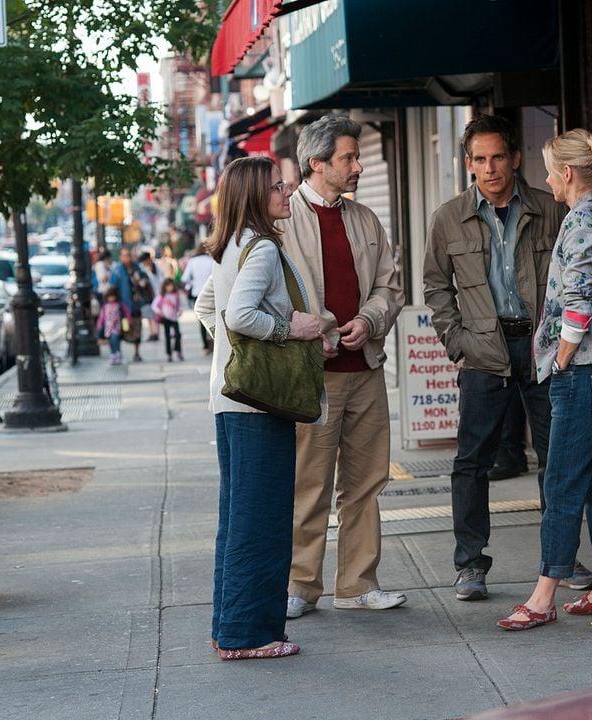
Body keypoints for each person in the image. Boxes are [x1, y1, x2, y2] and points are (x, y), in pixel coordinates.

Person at [497, 130, 592, 632]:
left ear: (567, 174)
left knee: (562, 482)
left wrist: (560, 361)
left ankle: (542, 596)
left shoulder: (581, 221)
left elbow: (578, 302)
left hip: (586, 368)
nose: (546, 180)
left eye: (549, 171)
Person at [424, 114, 582, 602]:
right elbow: (435, 286)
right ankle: (470, 564)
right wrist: (458, 342)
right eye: (479, 160)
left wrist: (561, 344)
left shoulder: (548, 208)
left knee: (556, 457)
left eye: (498, 157)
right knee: (472, 461)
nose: (489, 168)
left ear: (515, 158)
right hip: (482, 354)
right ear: (467, 163)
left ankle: (561, 558)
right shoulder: (448, 217)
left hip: (542, 348)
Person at [193, 156, 331, 660]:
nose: (286, 192)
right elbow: (239, 314)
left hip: (231, 401)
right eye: (276, 187)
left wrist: (235, 356)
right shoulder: (263, 249)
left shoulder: (232, 246)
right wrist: (287, 331)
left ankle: (229, 627)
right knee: (262, 519)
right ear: (254, 196)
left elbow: (208, 311)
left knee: (237, 518)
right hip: (258, 406)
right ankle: (249, 635)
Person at [277, 115, 406, 619]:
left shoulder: (366, 220)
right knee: (308, 484)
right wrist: (305, 331)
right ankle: (298, 586)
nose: (358, 166)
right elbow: (257, 298)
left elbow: (389, 289)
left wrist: (369, 321)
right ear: (318, 163)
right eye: (349, 158)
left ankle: (357, 584)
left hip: (366, 368)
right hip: (314, 376)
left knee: (366, 482)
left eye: (356, 157)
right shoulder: (282, 220)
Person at [108, 246, 150, 362]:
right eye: (125, 256)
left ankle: (137, 353)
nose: (127, 258)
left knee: (137, 328)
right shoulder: (117, 270)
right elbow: (112, 288)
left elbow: (144, 277)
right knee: (121, 329)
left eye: (129, 255)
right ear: (121, 257)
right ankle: (118, 352)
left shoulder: (136, 267)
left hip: (136, 304)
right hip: (122, 306)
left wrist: (144, 282)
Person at [183, 245, 215, 354]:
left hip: (198, 292)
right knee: (214, 317)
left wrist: (194, 283)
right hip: (212, 292)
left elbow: (185, 278)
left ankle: (205, 346)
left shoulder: (192, 261)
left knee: (202, 319)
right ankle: (213, 341)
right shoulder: (211, 260)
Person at [152, 278, 185, 362]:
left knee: (178, 335)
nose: (170, 287)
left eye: (171, 285)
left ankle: (178, 351)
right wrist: (159, 312)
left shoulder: (176, 295)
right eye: (168, 286)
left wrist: (180, 310)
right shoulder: (162, 296)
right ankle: (169, 354)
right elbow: (154, 305)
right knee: (167, 337)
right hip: (165, 319)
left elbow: (179, 305)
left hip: (174, 318)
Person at [96, 287, 129, 365]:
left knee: (115, 339)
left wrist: (127, 320)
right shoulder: (105, 306)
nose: (111, 298)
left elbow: (126, 312)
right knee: (111, 341)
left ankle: (117, 353)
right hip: (108, 327)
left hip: (117, 327)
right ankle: (113, 354)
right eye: (109, 297)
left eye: (112, 296)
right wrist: (99, 324)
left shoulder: (119, 305)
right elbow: (102, 316)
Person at [139, 250, 164, 342]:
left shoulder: (156, 267)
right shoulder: (142, 269)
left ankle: (155, 333)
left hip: (156, 295)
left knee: (154, 316)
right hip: (147, 296)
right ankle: (152, 332)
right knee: (149, 315)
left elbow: (160, 281)